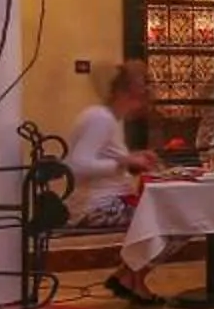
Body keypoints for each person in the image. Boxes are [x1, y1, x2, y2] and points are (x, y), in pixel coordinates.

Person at [64, 61, 159, 229]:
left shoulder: (108, 119)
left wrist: (133, 158)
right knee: (166, 216)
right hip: (97, 208)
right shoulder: (101, 119)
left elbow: (106, 158)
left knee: (164, 214)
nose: (140, 109)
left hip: (110, 202)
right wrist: (124, 162)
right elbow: (77, 166)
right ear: (125, 95)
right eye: (139, 100)